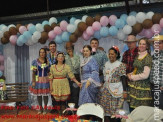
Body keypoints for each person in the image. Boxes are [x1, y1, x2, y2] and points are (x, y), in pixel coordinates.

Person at [99, 46, 127, 122]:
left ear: (116, 54)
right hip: (106, 89)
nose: (110, 55)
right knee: (106, 110)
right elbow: (105, 76)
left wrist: (125, 91)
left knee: (115, 110)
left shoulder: (120, 65)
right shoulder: (106, 64)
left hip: (116, 89)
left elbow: (123, 78)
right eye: (109, 54)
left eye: (112, 54)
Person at [127, 37, 152, 111]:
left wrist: (132, 77)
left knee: (140, 110)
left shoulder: (148, 58)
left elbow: (145, 75)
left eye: (143, 44)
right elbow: (137, 69)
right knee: (133, 109)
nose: (141, 45)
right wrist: (130, 74)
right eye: (140, 44)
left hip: (142, 87)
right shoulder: (138, 55)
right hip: (134, 86)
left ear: (147, 46)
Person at [29, 48, 50, 115]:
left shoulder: (48, 61)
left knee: (45, 95)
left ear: (45, 53)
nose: (42, 53)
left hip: (46, 80)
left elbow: (49, 71)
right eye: (41, 52)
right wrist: (33, 81)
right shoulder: (35, 61)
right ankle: (40, 108)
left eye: (43, 52)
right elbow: (33, 73)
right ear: (39, 53)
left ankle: (45, 108)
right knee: (39, 94)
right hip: (38, 80)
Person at [65, 42, 80, 108]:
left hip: (75, 77)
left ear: (73, 49)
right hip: (67, 78)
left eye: (70, 48)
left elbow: (76, 67)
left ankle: (75, 109)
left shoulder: (77, 57)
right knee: (68, 94)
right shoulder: (64, 57)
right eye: (67, 49)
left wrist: (72, 58)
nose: (69, 50)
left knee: (75, 94)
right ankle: (69, 110)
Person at [150, 35, 163, 110]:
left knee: (160, 111)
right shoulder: (153, 56)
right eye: (155, 43)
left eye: (159, 43)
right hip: (153, 87)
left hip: (160, 87)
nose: (157, 45)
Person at [46, 41, 58, 113]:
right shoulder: (46, 56)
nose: (52, 47)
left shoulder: (59, 54)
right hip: (50, 76)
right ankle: (54, 107)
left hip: (57, 75)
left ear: (55, 47)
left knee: (58, 91)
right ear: (49, 47)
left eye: (54, 46)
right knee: (52, 91)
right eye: (51, 46)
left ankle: (60, 106)